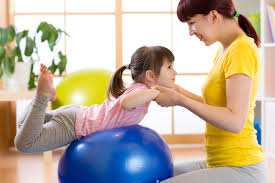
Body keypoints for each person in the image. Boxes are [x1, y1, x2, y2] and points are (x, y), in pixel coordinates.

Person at [155, 0, 268, 183]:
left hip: (241, 168)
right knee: (157, 174)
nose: (190, 32)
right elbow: (215, 107)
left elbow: (234, 121)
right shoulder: (226, 50)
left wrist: (180, 100)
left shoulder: (241, 49)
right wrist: (177, 91)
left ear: (213, 16)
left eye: (192, 23)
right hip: (220, 162)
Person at [14, 45, 177, 153]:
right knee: (24, 144)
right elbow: (126, 102)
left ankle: (44, 96)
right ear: (150, 75)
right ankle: (42, 96)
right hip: (74, 126)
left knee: (24, 125)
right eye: (169, 67)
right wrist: (156, 91)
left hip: (77, 114)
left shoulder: (138, 88)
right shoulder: (143, 91)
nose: (175, 72)